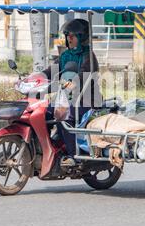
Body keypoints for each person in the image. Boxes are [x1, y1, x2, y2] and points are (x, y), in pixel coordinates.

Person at [42, 18, 101, 167]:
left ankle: (74, 156)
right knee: (44, 112)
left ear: (81, 38)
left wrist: (73, 83)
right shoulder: (66, 55)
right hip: (67, 99)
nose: (69, 38)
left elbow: (83, 75)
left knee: (65, 116)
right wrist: (36, 77)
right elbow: (52, 70)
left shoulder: (89, 56)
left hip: (87, 101)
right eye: (67, 35)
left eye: (72, 36)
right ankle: (52, 146)